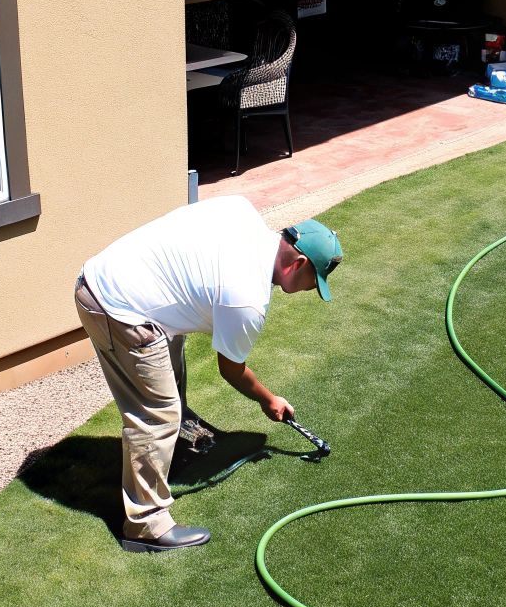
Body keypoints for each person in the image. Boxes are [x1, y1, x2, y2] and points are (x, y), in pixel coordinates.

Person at [73, 196, 342, 553]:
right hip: (118, 307)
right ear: (299, 263)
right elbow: (231, 370)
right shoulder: (247, 300)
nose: (311, 290)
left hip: (105, 278)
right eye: (314, 281)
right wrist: (269, 399)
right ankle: (145, 525)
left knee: (169, 361)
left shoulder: (241, 210)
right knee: (157, 414)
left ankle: (177, 446)